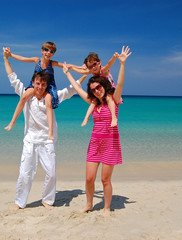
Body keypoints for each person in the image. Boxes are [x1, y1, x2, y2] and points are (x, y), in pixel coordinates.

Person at [3, 47, 87, 210]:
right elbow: (12, 78)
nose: (40, 87)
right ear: (33, 83)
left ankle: (47, 200)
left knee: (51, 173)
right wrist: (7, 58)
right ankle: (19, 202)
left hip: (48, 141)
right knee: (25, 173)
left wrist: (84, 74)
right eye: (37, 84)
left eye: (43, 84)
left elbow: (70, 90)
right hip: (30, 140)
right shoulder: (26, 95)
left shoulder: (51, 97)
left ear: (46, 85)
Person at [63, 46, 131, 216]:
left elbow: (120, 83)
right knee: (89, 178)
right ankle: (89, 204)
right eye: (93, 89)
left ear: (104, 85)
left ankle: (107, 208)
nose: (96, 90)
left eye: (99, 87)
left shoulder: (113, 99)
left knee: (105, 179)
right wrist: (67, 73)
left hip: (111, 143)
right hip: (95, 143)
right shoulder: (93, 102)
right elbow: (77, 89)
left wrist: (122, 64)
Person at [4, 42, 65, 140]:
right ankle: (12, 122)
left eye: (52, 51)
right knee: (24, 97)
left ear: (53, 54)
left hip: (48, 87)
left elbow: (69, 66)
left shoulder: (53, 63)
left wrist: (83, 69)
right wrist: (10, 55)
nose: (48, 52)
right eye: (46, 50)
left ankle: (50, 131)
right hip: (36, 85)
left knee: (48, 102)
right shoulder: (37, 60)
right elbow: (23, 58)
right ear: (42, 50)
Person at [70, 52, 120, 127]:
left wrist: (114, 57)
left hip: (110, 90)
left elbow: (109, 64)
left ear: (99, 63)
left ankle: (113, 117)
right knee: (94, 101)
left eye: (94, 64)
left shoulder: (103, 70)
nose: (93, 68)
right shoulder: (91, 71)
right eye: (90, 67)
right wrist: (71, 68)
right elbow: (81, 71)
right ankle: (86, 118)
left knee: (108, 97)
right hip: (101, 93)